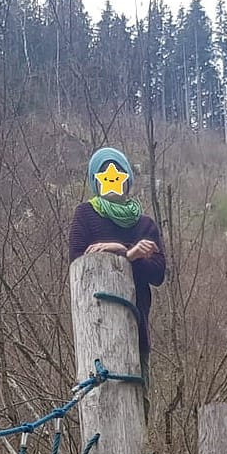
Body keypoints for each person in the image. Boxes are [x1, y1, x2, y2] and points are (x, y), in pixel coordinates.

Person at [68, 147, 168, 365]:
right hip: (93, 326)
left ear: (127, 179)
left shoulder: (145, 225)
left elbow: (158, 273)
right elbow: (78, 261)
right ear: (95, 181)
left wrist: (122, 251)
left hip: (135, 328)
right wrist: (128, 254)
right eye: (104, 175)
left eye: (117, 174)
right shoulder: (85, 214)